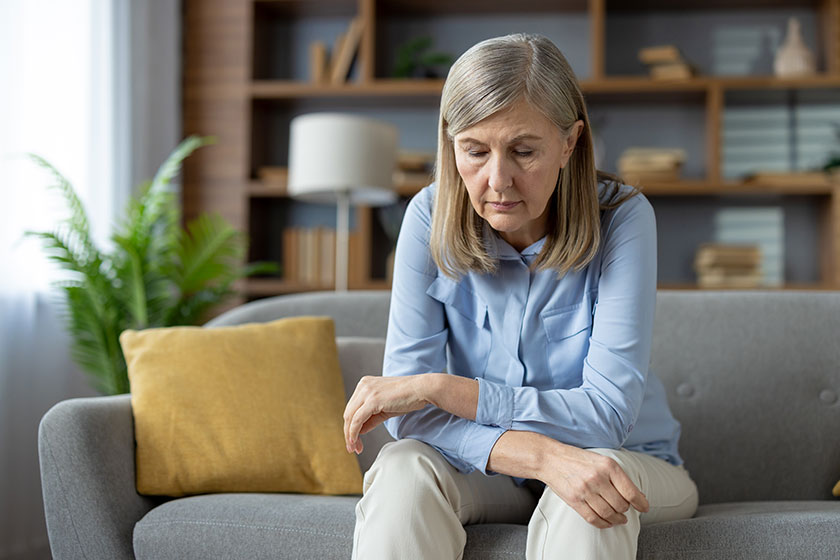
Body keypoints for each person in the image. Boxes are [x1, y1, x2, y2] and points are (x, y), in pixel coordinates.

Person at [342, 32, 698, 559]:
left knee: (594, 490)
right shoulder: (427, 216)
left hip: (625, 456)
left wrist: (441, 387)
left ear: (569, 143)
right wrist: (537, 457)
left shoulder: (623, 218)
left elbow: (603, 417)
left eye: (524, 151)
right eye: (475, 151)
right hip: (487, 470)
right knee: (402, 467)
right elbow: (405, 416)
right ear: (450, 141)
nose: (497, 180)